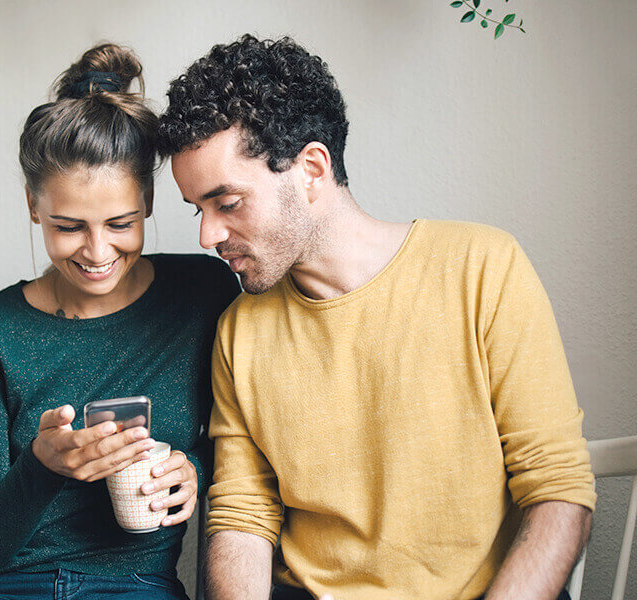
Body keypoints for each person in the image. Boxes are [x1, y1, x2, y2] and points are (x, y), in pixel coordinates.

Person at [156, 35, 596, 600]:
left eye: (228, 203)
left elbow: (558, 489)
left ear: (311, 169)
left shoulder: (482, 268)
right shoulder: (241, 330)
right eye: (199, 209)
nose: (207, 235)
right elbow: (244, 515)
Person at [0, 43, 240, 600]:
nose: (98, 252)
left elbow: (244, 440)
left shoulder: (204, 296)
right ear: (33, 205)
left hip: (135, 584)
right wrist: (42, 467)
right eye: (69, 226)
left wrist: (193, 467)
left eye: (120, 222)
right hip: (0, 586)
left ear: (148, 198)